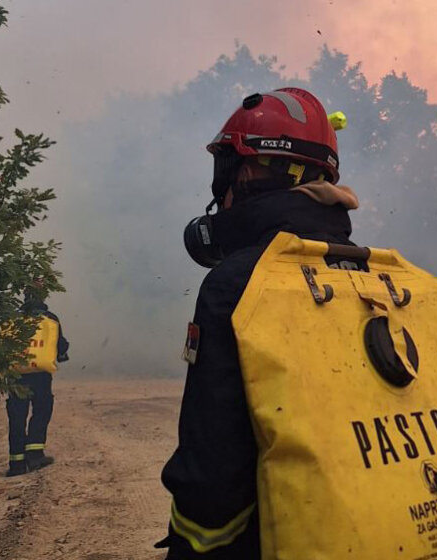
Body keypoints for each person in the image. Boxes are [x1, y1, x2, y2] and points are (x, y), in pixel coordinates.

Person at [158, 88, 357, 559]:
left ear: (246, 173)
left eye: (224, 170)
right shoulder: (385, 280)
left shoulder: (239, 287)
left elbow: (211, 482)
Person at [6, 290, 70, 477]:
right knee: (41, 410)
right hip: (41, 375)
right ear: (43, 298)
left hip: (16, 375)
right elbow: (61, 346)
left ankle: (16, 464)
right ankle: (35, 456)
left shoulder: (13, 318)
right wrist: (62, 352)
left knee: (17, 416)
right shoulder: (50, 318)